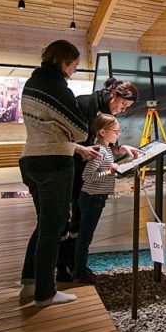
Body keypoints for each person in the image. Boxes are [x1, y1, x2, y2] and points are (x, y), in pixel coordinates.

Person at [18, 40, 101, 306]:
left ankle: (30, 283)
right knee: (54, 228)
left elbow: (48, 128)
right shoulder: (57, 88)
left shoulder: (32, 83)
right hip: (54, 163)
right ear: (65, 62)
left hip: (30, 159)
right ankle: (45, 292)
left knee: (44, 224)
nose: (74, 71)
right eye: (75, 66)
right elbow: (80, 130)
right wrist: (74, 139)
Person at [57, 77, 140, 281]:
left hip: (85, 172)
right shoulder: (85, 104)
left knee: (79, 220)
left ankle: (75, 266)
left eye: (127, 107)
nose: (123, 109)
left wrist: (121, 148)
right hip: (71, 167)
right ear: (113, 94)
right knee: (67, 220)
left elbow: (105, 143)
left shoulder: (107, 115)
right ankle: (64, 267)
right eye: (122, 104)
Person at [73, 114, 121, 284]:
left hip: (96, 198)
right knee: (85, 236)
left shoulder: (107, 149)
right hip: (92, 198)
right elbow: (87, 176)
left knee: (86, 235)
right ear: (102, 131)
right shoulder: (99, 151)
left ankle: (80, 268)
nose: (118, 134)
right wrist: (109, 172)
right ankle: (79, 271)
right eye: (115, 131)